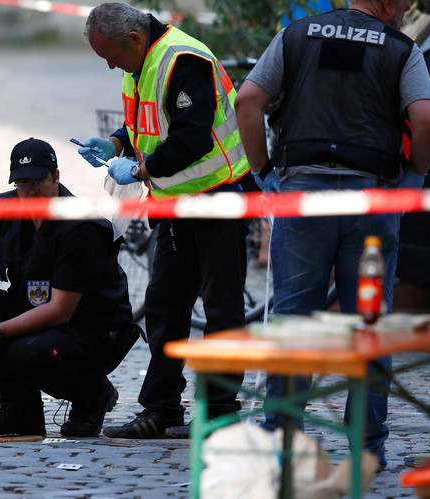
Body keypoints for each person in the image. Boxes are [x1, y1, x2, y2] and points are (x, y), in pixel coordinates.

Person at [234, 0, 430, 468]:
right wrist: (413, 179)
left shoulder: (296, 35)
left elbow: (247, 100)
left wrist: (264, 172)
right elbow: (429, 122)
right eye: (405, 4)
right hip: (372, 201)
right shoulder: (401, 48)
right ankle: (367, 449)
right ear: (388, 3)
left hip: (303, 196)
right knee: (369, 325)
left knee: (294, 320)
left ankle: (282, 436)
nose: (405, 11)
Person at [79, 3, 251, 439]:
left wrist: (139, 170)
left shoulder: (182, 59)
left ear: (134, 39)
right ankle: (162, 408)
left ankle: (219, 410)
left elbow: (191, 137)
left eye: (112, 56)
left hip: (217, 196)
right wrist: (117, 141)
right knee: (165, 305)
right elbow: (148, 122)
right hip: (175, 204)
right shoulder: (139, 61)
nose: (110, 65)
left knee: (222, 308)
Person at [0, 138, 140, 438]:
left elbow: (60, 310)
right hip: (36, 312)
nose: (31, 191)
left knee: (24, 352)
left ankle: (92, 394)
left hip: (90, 330)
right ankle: (20, 410)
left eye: (39, 181)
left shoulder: (79, 226)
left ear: (56, 177)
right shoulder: (7, 206)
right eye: (23, 183)